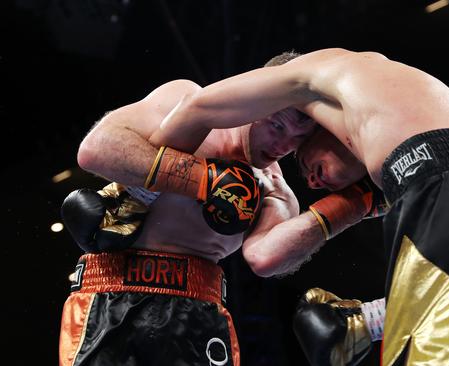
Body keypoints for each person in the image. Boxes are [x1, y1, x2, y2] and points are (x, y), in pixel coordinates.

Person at [147, 48, 449, 365]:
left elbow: (198, 106)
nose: (311, 179)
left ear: (314, 120)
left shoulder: (319, 71)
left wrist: (137, 193)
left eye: (304, 157)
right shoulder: (428, 102)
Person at [58, 52, 325, 366]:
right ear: (256, 100)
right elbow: (96, 150)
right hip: (112, 297)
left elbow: (267, 259)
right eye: (278, 126)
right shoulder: (189, 106)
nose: (283, 145)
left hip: (196, 313)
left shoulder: (275, 191)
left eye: (297, 139)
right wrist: (203, 181)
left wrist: (348, 208)